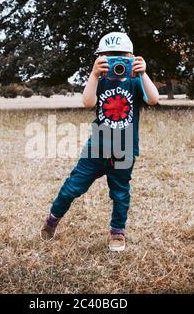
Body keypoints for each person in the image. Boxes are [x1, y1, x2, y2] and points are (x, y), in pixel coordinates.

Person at [40, 32, 159, 251]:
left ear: (132, 57)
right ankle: (52, 219)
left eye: (121, 56)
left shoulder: (135, 80)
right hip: (96, 148)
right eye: (109, 57)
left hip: (124, 150)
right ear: (100, 59)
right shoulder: (100, 80)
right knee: (71, 188)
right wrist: (94, 75)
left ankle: (117, 233)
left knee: (120, 193)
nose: (116, 62)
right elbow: (87, 102)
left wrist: (144, 74)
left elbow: (153, 99)